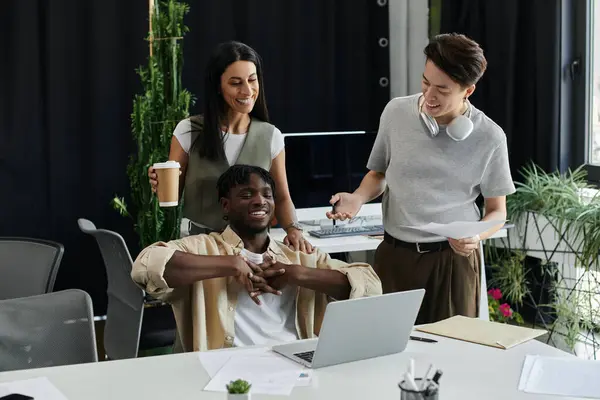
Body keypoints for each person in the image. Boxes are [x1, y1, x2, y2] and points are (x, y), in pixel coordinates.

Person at [327, 33, 515, 324]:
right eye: (425, 82)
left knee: (453, 355)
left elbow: (497, 212)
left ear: (468, 90)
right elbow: (378, 174)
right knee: (387, 353)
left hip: (451, 261)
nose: (429, 96)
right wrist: (357, 198)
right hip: (394, 256)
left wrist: (475, 236)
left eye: (442, 89)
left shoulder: (490, 137)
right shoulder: (396, 113)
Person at [133, 165, 382, 352]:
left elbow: (371, 287)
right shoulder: (202, 247)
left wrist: (296, 274)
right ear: (226, 206)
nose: (260, 200)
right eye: (246, 194)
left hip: (297, 364)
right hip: (225, 370)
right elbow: (145, 266)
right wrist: (230, 265)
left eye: (267, 194)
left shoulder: (297, 254)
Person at [147, 41, 313, 252]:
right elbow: (172, 193)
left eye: (252, 80)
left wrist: (294, 230)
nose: (247, 90)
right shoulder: (189, 131)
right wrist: (157, 183)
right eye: (236, 83)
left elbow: (281, 197)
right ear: (218, 86)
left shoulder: (271, 136)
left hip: (254, 249)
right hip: (200, 248)